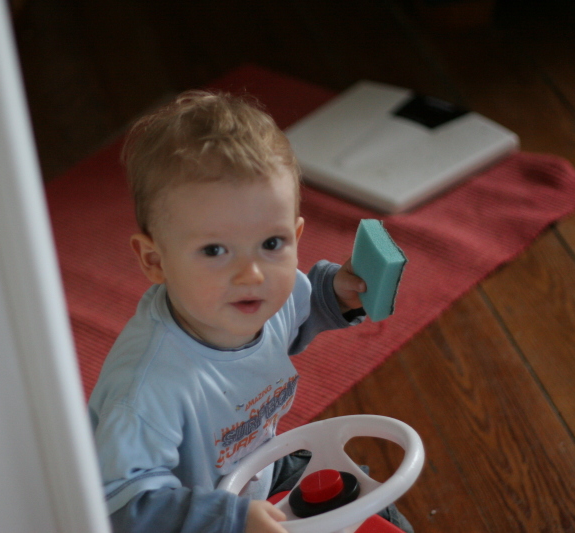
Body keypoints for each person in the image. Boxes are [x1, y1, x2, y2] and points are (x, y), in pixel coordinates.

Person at [88, 90, 412, 533]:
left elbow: (302, 306)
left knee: (379, 514)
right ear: (155, 260)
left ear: (297, 235)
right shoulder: (147, 391)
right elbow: (123, 506)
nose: (252, 274)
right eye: (215, 250)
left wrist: (338, 292)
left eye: (272, 243)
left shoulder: (256, 297)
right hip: (186, 514)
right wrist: (231, 519)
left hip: (258, 469)